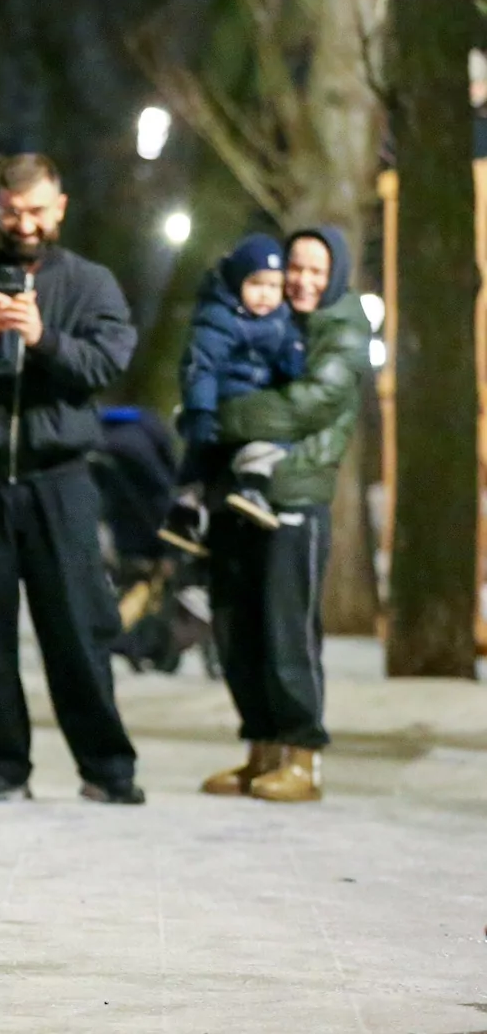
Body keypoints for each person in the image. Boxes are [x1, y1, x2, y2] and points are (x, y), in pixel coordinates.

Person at [0, 153, 144, 805]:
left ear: (59, 207)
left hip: (60, 479)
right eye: (12, 212)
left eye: (37, 211)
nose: (25, 223)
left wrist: (42, 340)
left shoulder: (91, 284)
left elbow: (108, 359)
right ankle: (3, 766)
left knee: (78, 629)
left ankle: (109, 767)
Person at [200, 228, 369, 803]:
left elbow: (304, 409)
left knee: (287, 630)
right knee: (236, 627)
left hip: (296, 498)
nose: (302, 280)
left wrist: (221, 413)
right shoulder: (267, 318)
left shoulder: (343, 330)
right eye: (296, 267)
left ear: (336, 277)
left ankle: (303, 756)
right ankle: (262, 749)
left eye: (317, 271)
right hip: (245, 498)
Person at [158, 234, 306, 556]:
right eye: (256, 284)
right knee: (266, 434)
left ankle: (188, 508)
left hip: (249, 401)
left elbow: (289, 365)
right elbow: (201, 367)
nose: (266, 295)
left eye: (273, 286)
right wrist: (200, 410)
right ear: (238, 281)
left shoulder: (280, 323)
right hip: (225, 402)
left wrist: (296, 362)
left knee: (205, 464)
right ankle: (250, 484)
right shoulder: (220, 317)